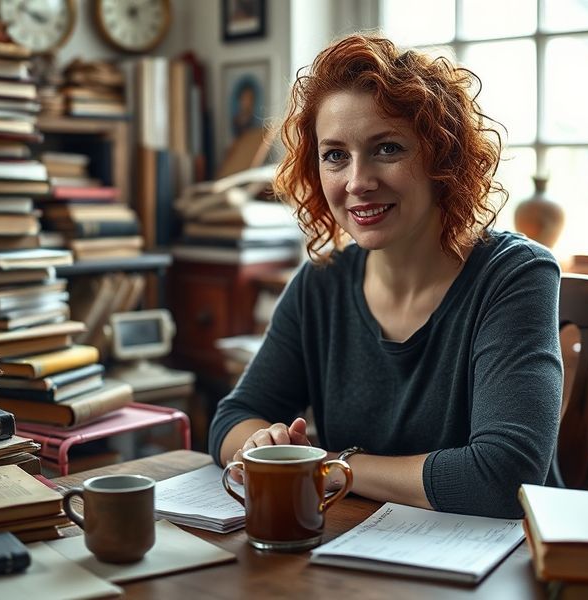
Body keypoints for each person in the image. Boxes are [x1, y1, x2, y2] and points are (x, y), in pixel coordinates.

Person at [208, 33, 563, 519]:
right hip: (355, 557)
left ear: (443, 157)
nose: (357, 181)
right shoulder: (321, 284)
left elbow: (503, 477)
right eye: (335, 155)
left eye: (387, 148)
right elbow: (230, 418)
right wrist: (260, 443)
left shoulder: (515, 276)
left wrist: (329, 467)